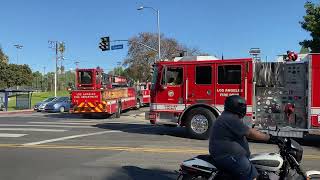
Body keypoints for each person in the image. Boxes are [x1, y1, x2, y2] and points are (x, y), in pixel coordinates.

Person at [209, 95, 271, 180]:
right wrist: (269, 137)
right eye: (242, 106)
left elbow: (246, 131)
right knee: (253, 178)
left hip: (227, 155)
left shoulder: (228, 117)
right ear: (236, 107)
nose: (244, 108)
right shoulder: (230, 118)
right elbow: (249, 133)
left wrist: (260, 133)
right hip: (230, 156)